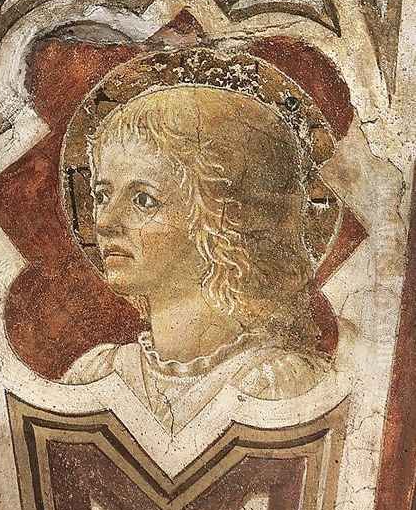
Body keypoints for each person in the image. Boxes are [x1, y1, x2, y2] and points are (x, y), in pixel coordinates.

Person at [63, 85, 332, 431]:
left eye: (143, 200)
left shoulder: (276, 384)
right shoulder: (96, 373)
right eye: (102, 196)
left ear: (220, 219)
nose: (104, 223)